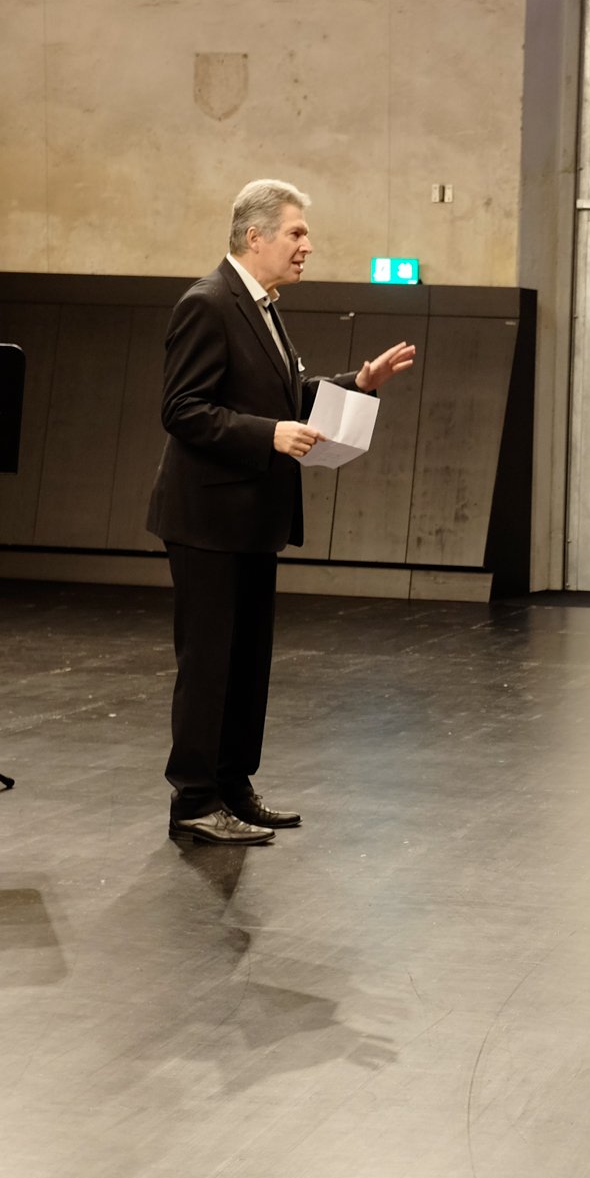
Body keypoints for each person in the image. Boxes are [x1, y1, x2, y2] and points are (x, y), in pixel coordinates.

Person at [147, 179, 416, 845]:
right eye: (296, 233)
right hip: (207, 522)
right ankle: (195, 802)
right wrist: (267, 433)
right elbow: (182, 410)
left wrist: (357, 383)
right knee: (209, 665)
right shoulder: (207, 304)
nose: (307, 246)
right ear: (254, 236)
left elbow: (285, 390)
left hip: (251, 519)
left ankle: (234, 789)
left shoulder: (261, 305)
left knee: (246, 666)